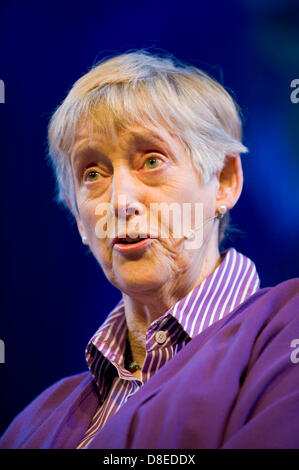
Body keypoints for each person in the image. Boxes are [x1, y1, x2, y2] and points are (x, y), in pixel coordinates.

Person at [0, 50, 298, 449]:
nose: (121, 200)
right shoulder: (29, 427)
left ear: (224, 181)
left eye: (152, 161)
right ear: (77, 218)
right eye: (92, 173)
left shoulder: (286, 335)